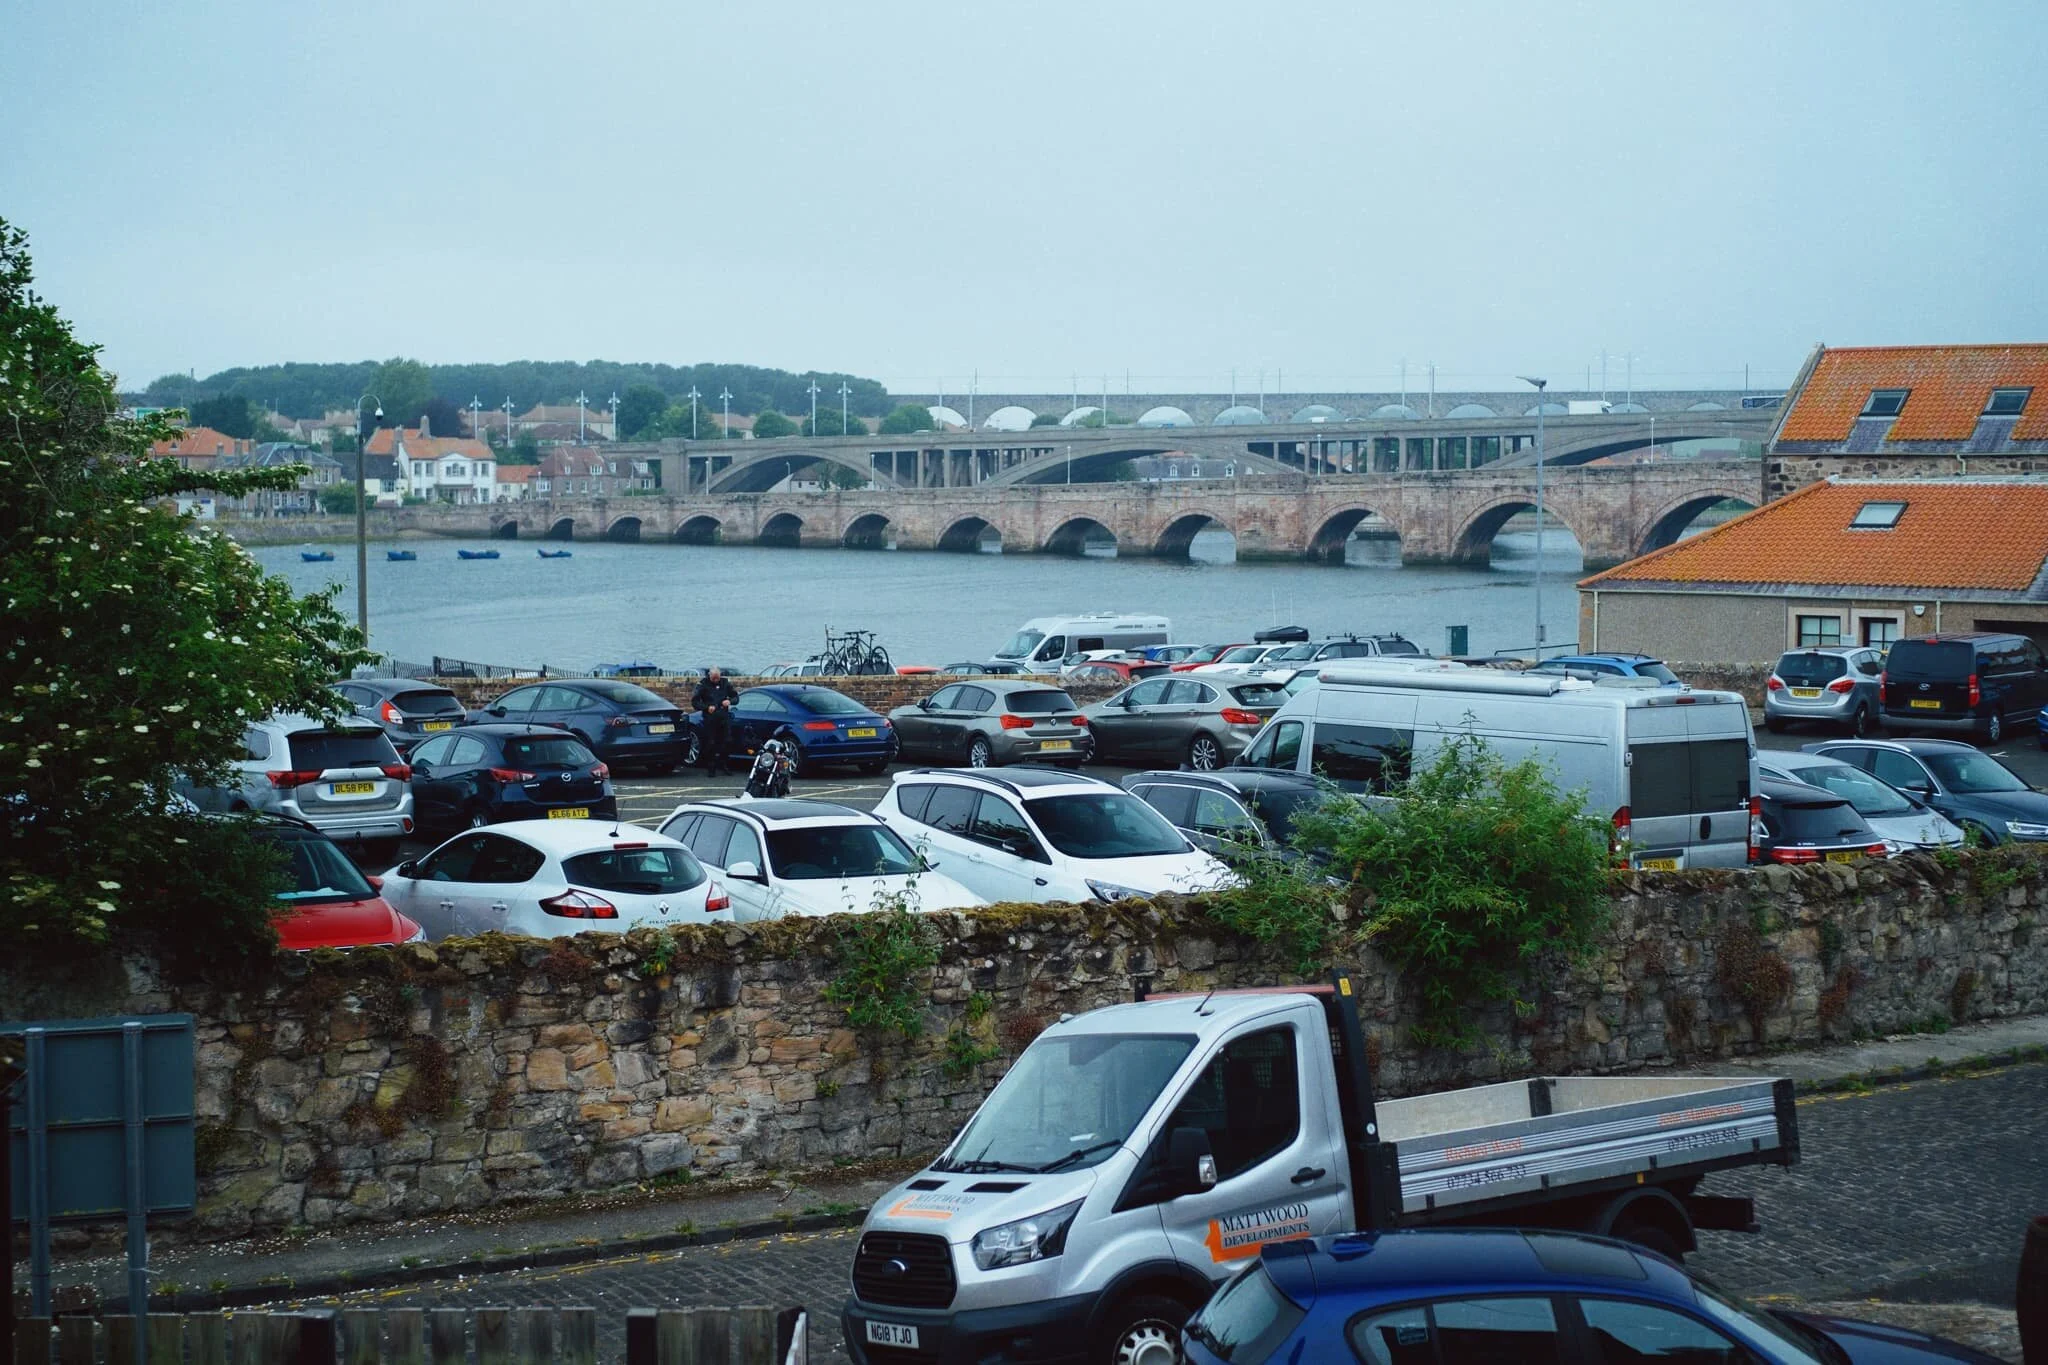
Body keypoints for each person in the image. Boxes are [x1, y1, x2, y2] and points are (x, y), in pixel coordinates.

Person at [691, 666, 739, 774]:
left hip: (723, 716)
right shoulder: (703, 684)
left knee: (727, 741)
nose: (716, 680)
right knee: (711, 742)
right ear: (709, 676)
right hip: (710, 717)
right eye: (714, 678)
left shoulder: (725, 683)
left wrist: (730, 701)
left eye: (717, 678)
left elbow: (736, 697)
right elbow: (695, 702)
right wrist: (706, 707)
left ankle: (724, 763)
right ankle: (711, 766)